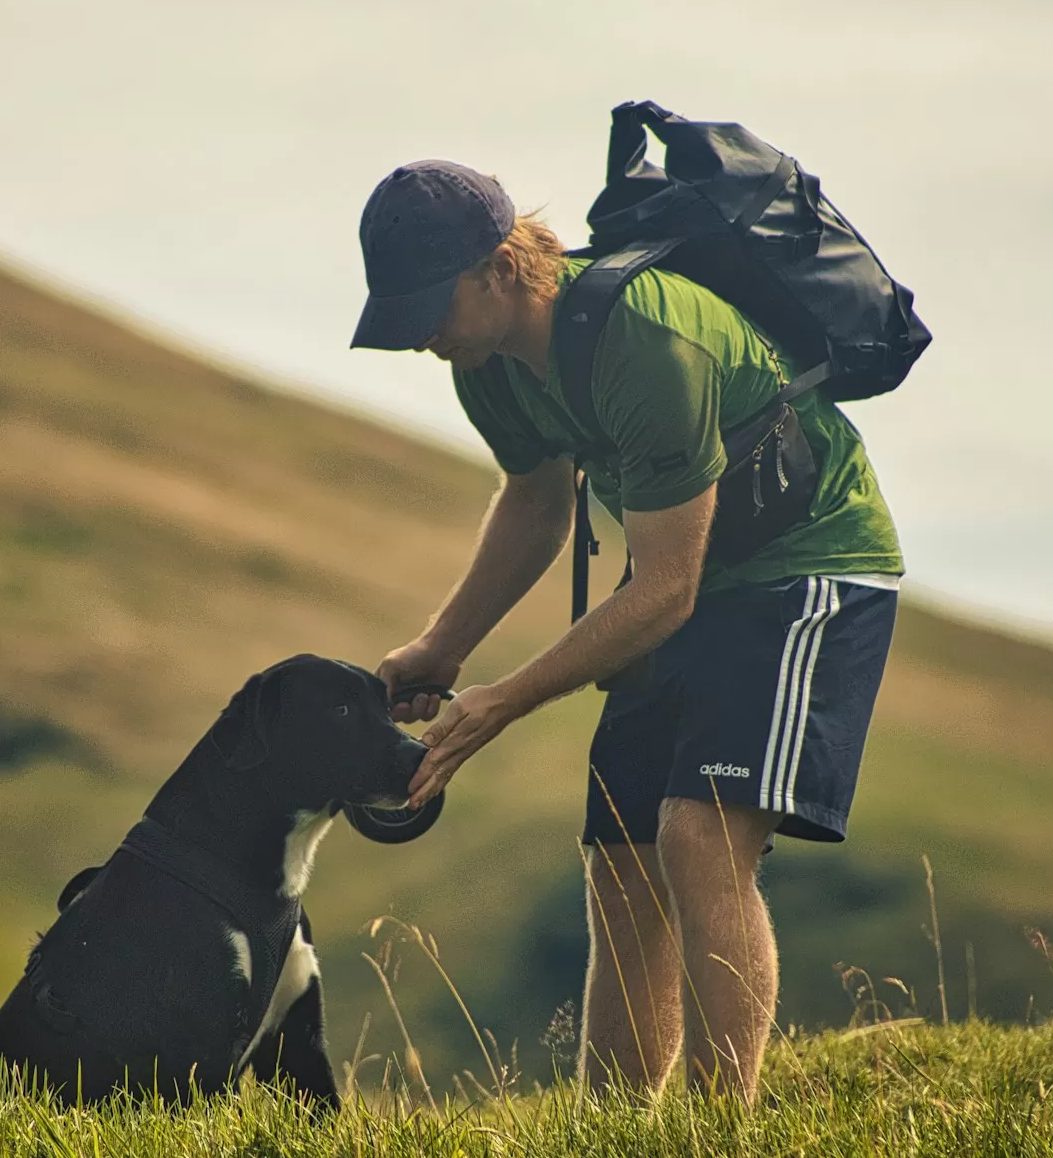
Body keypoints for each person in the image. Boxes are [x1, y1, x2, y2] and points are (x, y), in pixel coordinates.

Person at [354, 160, 903, 1103]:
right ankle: (613, 1138)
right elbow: (535, 506)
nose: (422, 340)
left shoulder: (644, 338)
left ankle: (715, 1140)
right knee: (619, 854)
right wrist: (443, 650)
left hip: (804, 567)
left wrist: (502, 704)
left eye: (428, 308)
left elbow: (664, 594)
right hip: (687, 576)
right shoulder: (485, 365)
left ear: (497, 268)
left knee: (697, 835)